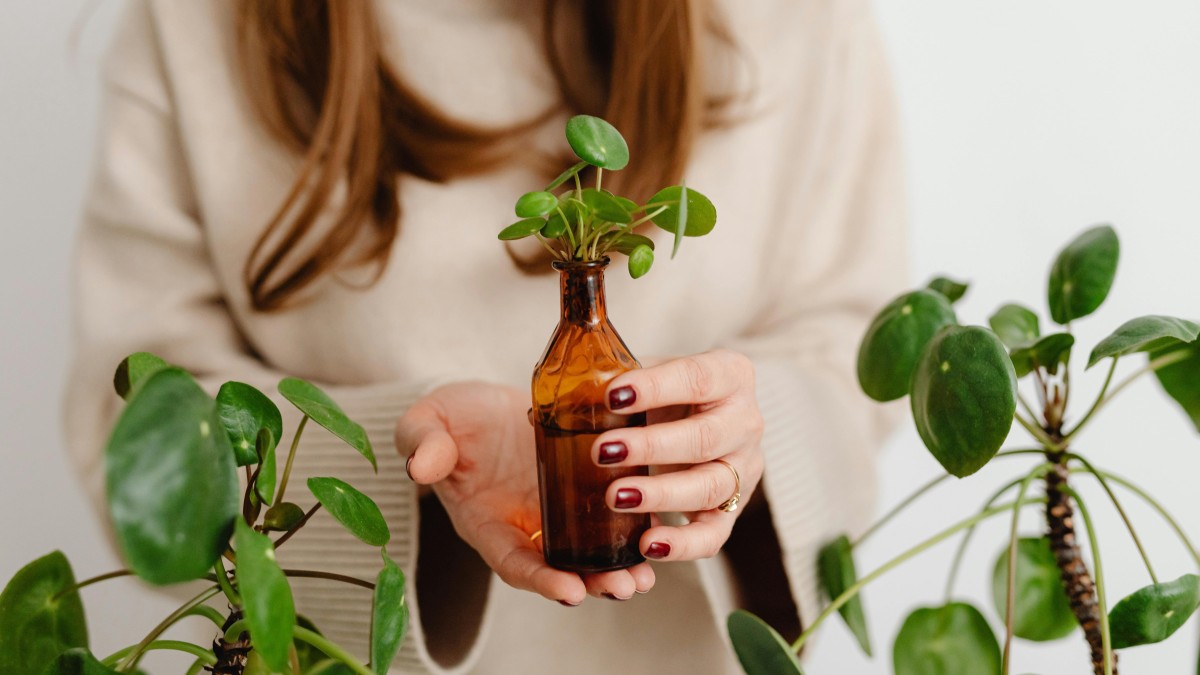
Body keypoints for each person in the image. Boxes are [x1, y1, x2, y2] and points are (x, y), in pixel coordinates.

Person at [65, 0, 907, 672]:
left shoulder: (798, 21)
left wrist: (733, 441)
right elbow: (137, 424)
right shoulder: (196, 23)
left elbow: (855, 356)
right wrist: (409, 470)